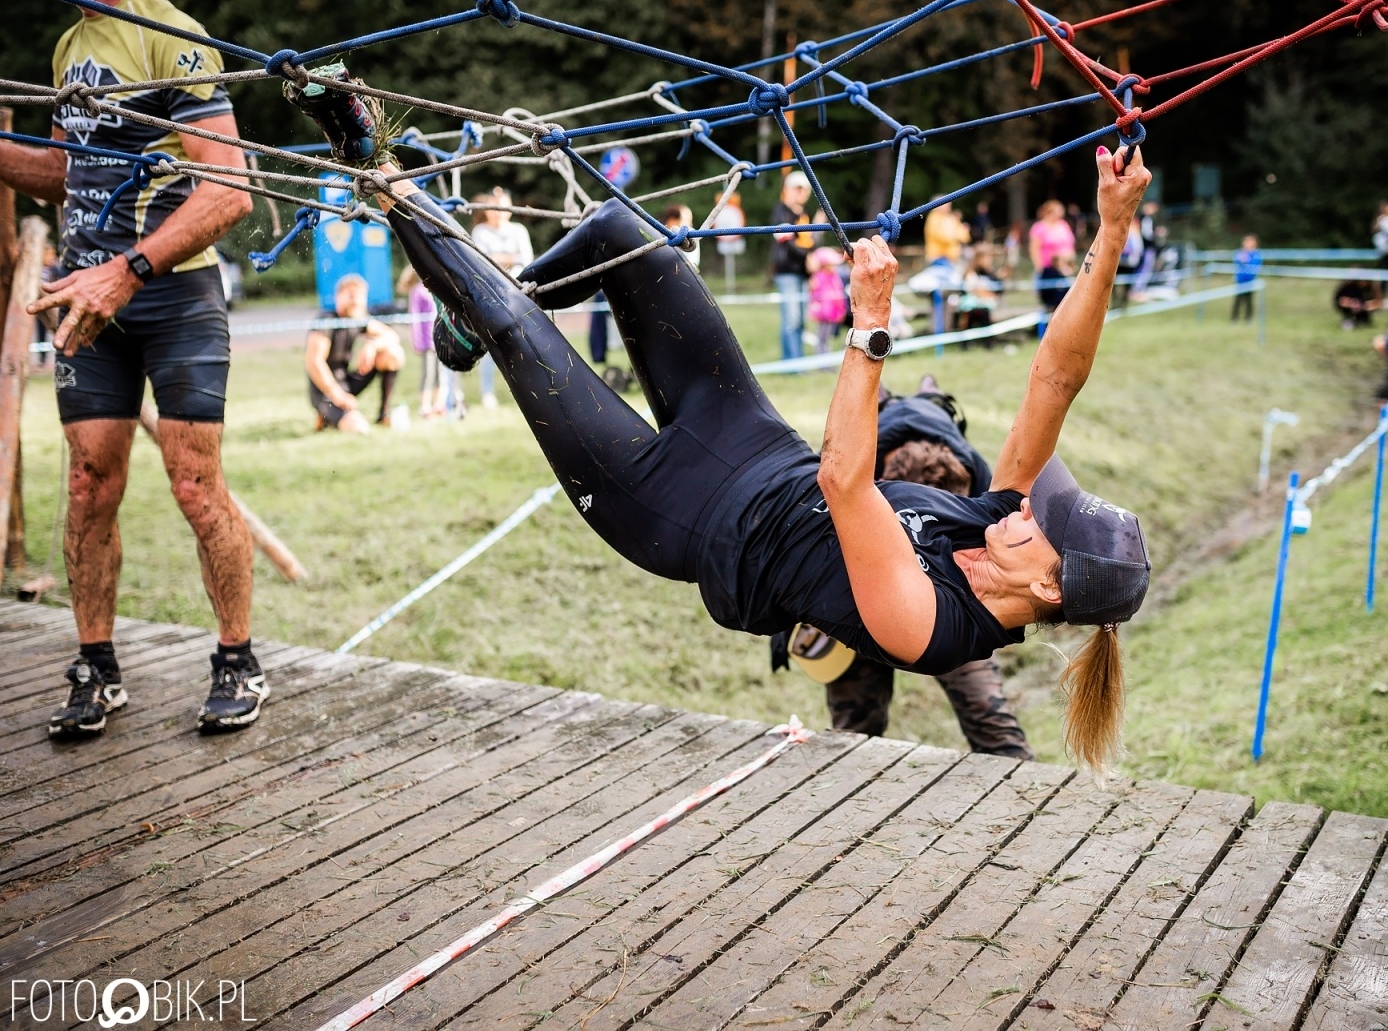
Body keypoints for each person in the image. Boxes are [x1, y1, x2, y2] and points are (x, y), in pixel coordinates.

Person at [298, 75, 1154, 769]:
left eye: (1048, 524)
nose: (1032, 506)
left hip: (679, 515)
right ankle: (468, 320)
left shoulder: (933, 627)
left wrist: (869, 325)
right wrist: (1112, 231)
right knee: (622, 233)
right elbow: (1055, 379)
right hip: (748, 438)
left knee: (519, 332)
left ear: (1049, 589)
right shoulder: (1004, 519)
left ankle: (375, 163)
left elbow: (845, 482)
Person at [0, 0, 264, 738]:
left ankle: (238, 659)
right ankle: (96, 667)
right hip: (90, 303)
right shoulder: (68, 46)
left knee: (194, 485)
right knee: (87, 484)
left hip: (174, 298)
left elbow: (230, 189)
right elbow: (62, 173)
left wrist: (127, 272)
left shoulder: (170, 34)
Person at [774, 379, 1031, 758]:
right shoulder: (846, 468)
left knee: (988, 713)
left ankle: (1019, 781)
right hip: (860, 587)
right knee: (854, 729)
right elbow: (799, 546)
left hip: (952, 598)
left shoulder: (980, 483)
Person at [306, 274, 405, 433]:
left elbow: (392, 336)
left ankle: (383, 415)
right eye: (351, 295)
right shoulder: (326, 320)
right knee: (359, 428)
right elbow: (314, 362)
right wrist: (337, 394)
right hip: (325, 390)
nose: (356, 300)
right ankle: (327, 415)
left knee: (393, 354)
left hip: (347, 383)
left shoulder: (357, 319)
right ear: (338, 296)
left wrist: (372, 345)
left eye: (360, 296)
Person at [468, 187, 533, 408]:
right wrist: (510, 258)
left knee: (523, 342)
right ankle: (487, 391)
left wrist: (499, 259)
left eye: (502, 208)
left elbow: (526, 262)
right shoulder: (480, 232)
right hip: (491, 295)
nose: (498, 213)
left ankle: (526, 389)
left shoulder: (519, 231)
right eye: (494, 208)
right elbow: (481, 263)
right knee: (490, 343)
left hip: (518, 294)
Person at [771, 170, 814, 359]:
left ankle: (799, 361)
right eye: (797, 188)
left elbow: (808, 242)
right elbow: (786, 242)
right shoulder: (780, 212)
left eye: (804, 189)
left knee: (801, 320)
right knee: (791, 320)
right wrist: (808, 258)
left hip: (803, 272)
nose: (801, 192)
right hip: (786, 272)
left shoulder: (803, 214)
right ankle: (792, 363)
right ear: (787, 189)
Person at [399, 266, 444, 419]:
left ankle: (438, 404)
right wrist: (417, 341)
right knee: (428, 373)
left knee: (440, 374)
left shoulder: (436, 289)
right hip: (427, 342)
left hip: (439, 340)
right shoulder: (417, 291)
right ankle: (425, 406)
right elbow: (415, 319)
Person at [956, 243, 1005, 340]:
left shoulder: (989, 273)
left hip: (985, 304)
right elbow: (976, 290)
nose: (989, 260)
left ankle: (987, 341)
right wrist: (988, 295)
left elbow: (998, 290)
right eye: (987, 257)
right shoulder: (970, 273)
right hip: (970, 305)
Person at [807, 246, 849, 351]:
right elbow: (814, 295)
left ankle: (825, 355)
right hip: (822, 313)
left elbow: (839, 295)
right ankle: (822, 356)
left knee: (827, 336)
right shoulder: (817, 278)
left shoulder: (835, 278)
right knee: (822, 336)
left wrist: (841, 310)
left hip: (832, 313)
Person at [712, 189, 746, 295]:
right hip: (725, 240)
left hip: (732, 240)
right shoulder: (725, 213)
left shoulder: (734, 212)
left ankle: (733, 288)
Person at [1232, 234, 1262, 322]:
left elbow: (1257, 265)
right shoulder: (1240, 253)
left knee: (1249, 300)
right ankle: (1234, 318)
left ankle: (1248, 318)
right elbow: (1237, 261)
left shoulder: (1256, 254)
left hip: (1250, 281)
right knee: (1238, 300)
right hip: (1240, 280)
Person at [662, 204, 701, 271]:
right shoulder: (658, 237)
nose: (691, 224)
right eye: (686, 220)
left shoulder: (691, 233)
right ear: (672, 220)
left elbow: (692, 262)